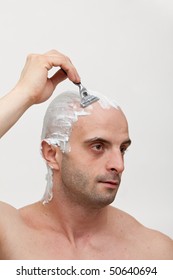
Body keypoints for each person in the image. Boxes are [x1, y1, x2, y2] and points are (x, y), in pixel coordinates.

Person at [0, 50, 172, 260]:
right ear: (52, 154)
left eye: (122, 149)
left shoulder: (154, 253)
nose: (119, 165)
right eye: (98, 146)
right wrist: (24, 93)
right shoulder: (11, 239)